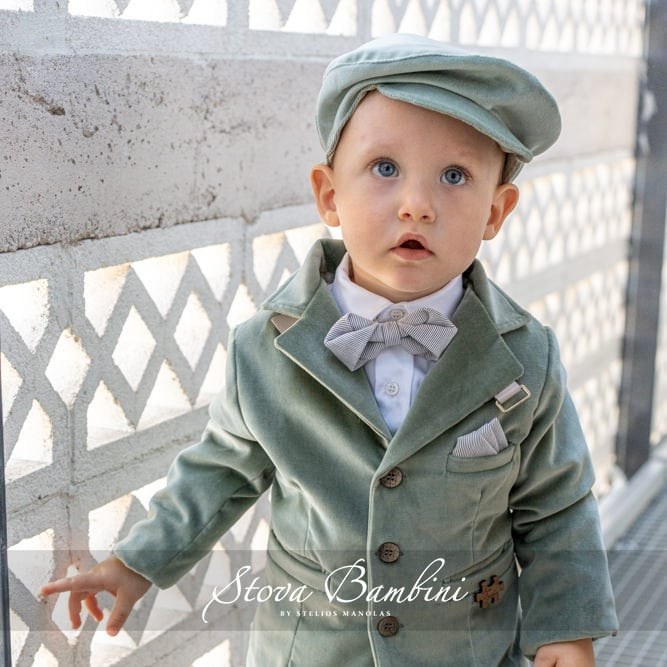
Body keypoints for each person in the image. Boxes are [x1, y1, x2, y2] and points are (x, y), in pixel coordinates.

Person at [41, 34, 618, 665]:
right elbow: (221, 471)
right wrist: (138, 562)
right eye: (385, 168)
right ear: (329, 195)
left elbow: (557, 505)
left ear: (495, 213)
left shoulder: (526, 357)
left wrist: (567, 626)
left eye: (455, 176)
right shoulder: (267, 347)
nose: (417, 206)